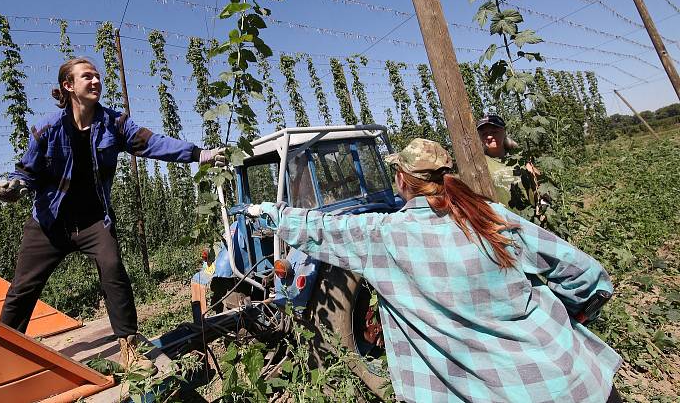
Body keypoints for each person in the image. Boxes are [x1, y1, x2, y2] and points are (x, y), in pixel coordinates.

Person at [247, 138, 622, 402]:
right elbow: (587, 276)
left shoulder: (383, 235)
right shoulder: (490, 217)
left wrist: (264, 212)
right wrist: (566, 320)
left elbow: (319, 229)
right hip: (574, 379)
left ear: (401, 180)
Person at [0, 57, 222, 370]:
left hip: (94, 221)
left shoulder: (114, 124)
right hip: (50, 222)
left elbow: (154, 143)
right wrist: (14, 187)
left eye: (97, 76)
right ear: (69, 86)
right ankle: (3, 350)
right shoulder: (47, 128)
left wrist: (199, 154)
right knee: (23, 288)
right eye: (87, 77)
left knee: (113, 271)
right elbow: (27, 171)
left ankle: (130, 350)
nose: (96, 81)